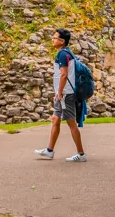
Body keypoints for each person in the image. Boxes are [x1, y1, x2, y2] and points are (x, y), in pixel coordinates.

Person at [35, 28, 87, 162]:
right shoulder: (67, 53)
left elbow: (64, 75)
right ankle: (49, 151)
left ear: (62, 41)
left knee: (71, 124)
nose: (52, 39)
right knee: (55, 119)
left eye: (54, 38)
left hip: (65, 94)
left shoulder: (62, 55)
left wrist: (59, 93)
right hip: (64, 93)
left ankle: (81, 154)